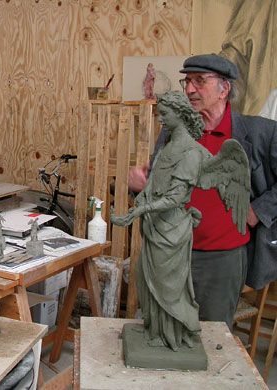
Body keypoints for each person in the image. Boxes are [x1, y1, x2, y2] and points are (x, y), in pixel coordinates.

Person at [129, 54, 277, 329]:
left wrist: (259, 211)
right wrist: (140, 186)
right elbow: (159, 184)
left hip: (222, 260)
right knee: (165, 331)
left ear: (224, 88)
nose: (189, 89)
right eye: (187, 81)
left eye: (200, 81)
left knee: (210, 336)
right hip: (172, 252)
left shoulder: (258, 133)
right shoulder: (174, 131)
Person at [112, 91, 206, 351]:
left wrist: (143, 210)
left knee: (168, 288)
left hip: (172, 230)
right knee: (144, 279)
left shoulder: (191, 153)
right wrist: (141, 200)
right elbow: (154, 181)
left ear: (181, 113)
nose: (161, 118)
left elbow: (176, 198)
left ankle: (171, 336)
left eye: (165, 113)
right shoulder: (167, 144)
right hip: (156, 227)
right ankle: (154, 330)